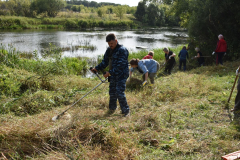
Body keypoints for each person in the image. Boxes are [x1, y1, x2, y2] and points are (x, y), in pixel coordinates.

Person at [91, 33, 130, 117]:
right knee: (112, 92)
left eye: (111, 43)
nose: (110, 45)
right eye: (109, 44)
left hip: (121, 75)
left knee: (119, 92)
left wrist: (109, 73)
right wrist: (96, 68)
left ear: (116, 41)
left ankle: (126, 111)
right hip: (112, 75)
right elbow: (105, 62)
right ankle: (112, 109)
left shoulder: (122, 50)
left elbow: (121, 65)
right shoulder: (109, 50)